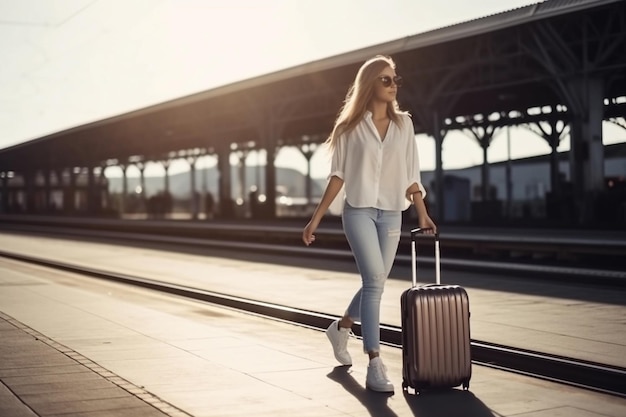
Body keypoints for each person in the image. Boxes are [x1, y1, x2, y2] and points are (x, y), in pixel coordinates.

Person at [302, 55, 437, 393]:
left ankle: (341, 327)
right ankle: (374, 361)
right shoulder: (348, 128)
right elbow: (338, 176)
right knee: (375, 283)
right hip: (358, 211)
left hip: (393, 212)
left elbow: (411, 174)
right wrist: (315, 219)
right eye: (386, 80)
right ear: (370, 84)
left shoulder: (404, 125)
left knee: (374, 280)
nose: (393, 86)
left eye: (395, 80)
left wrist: (422, 212)